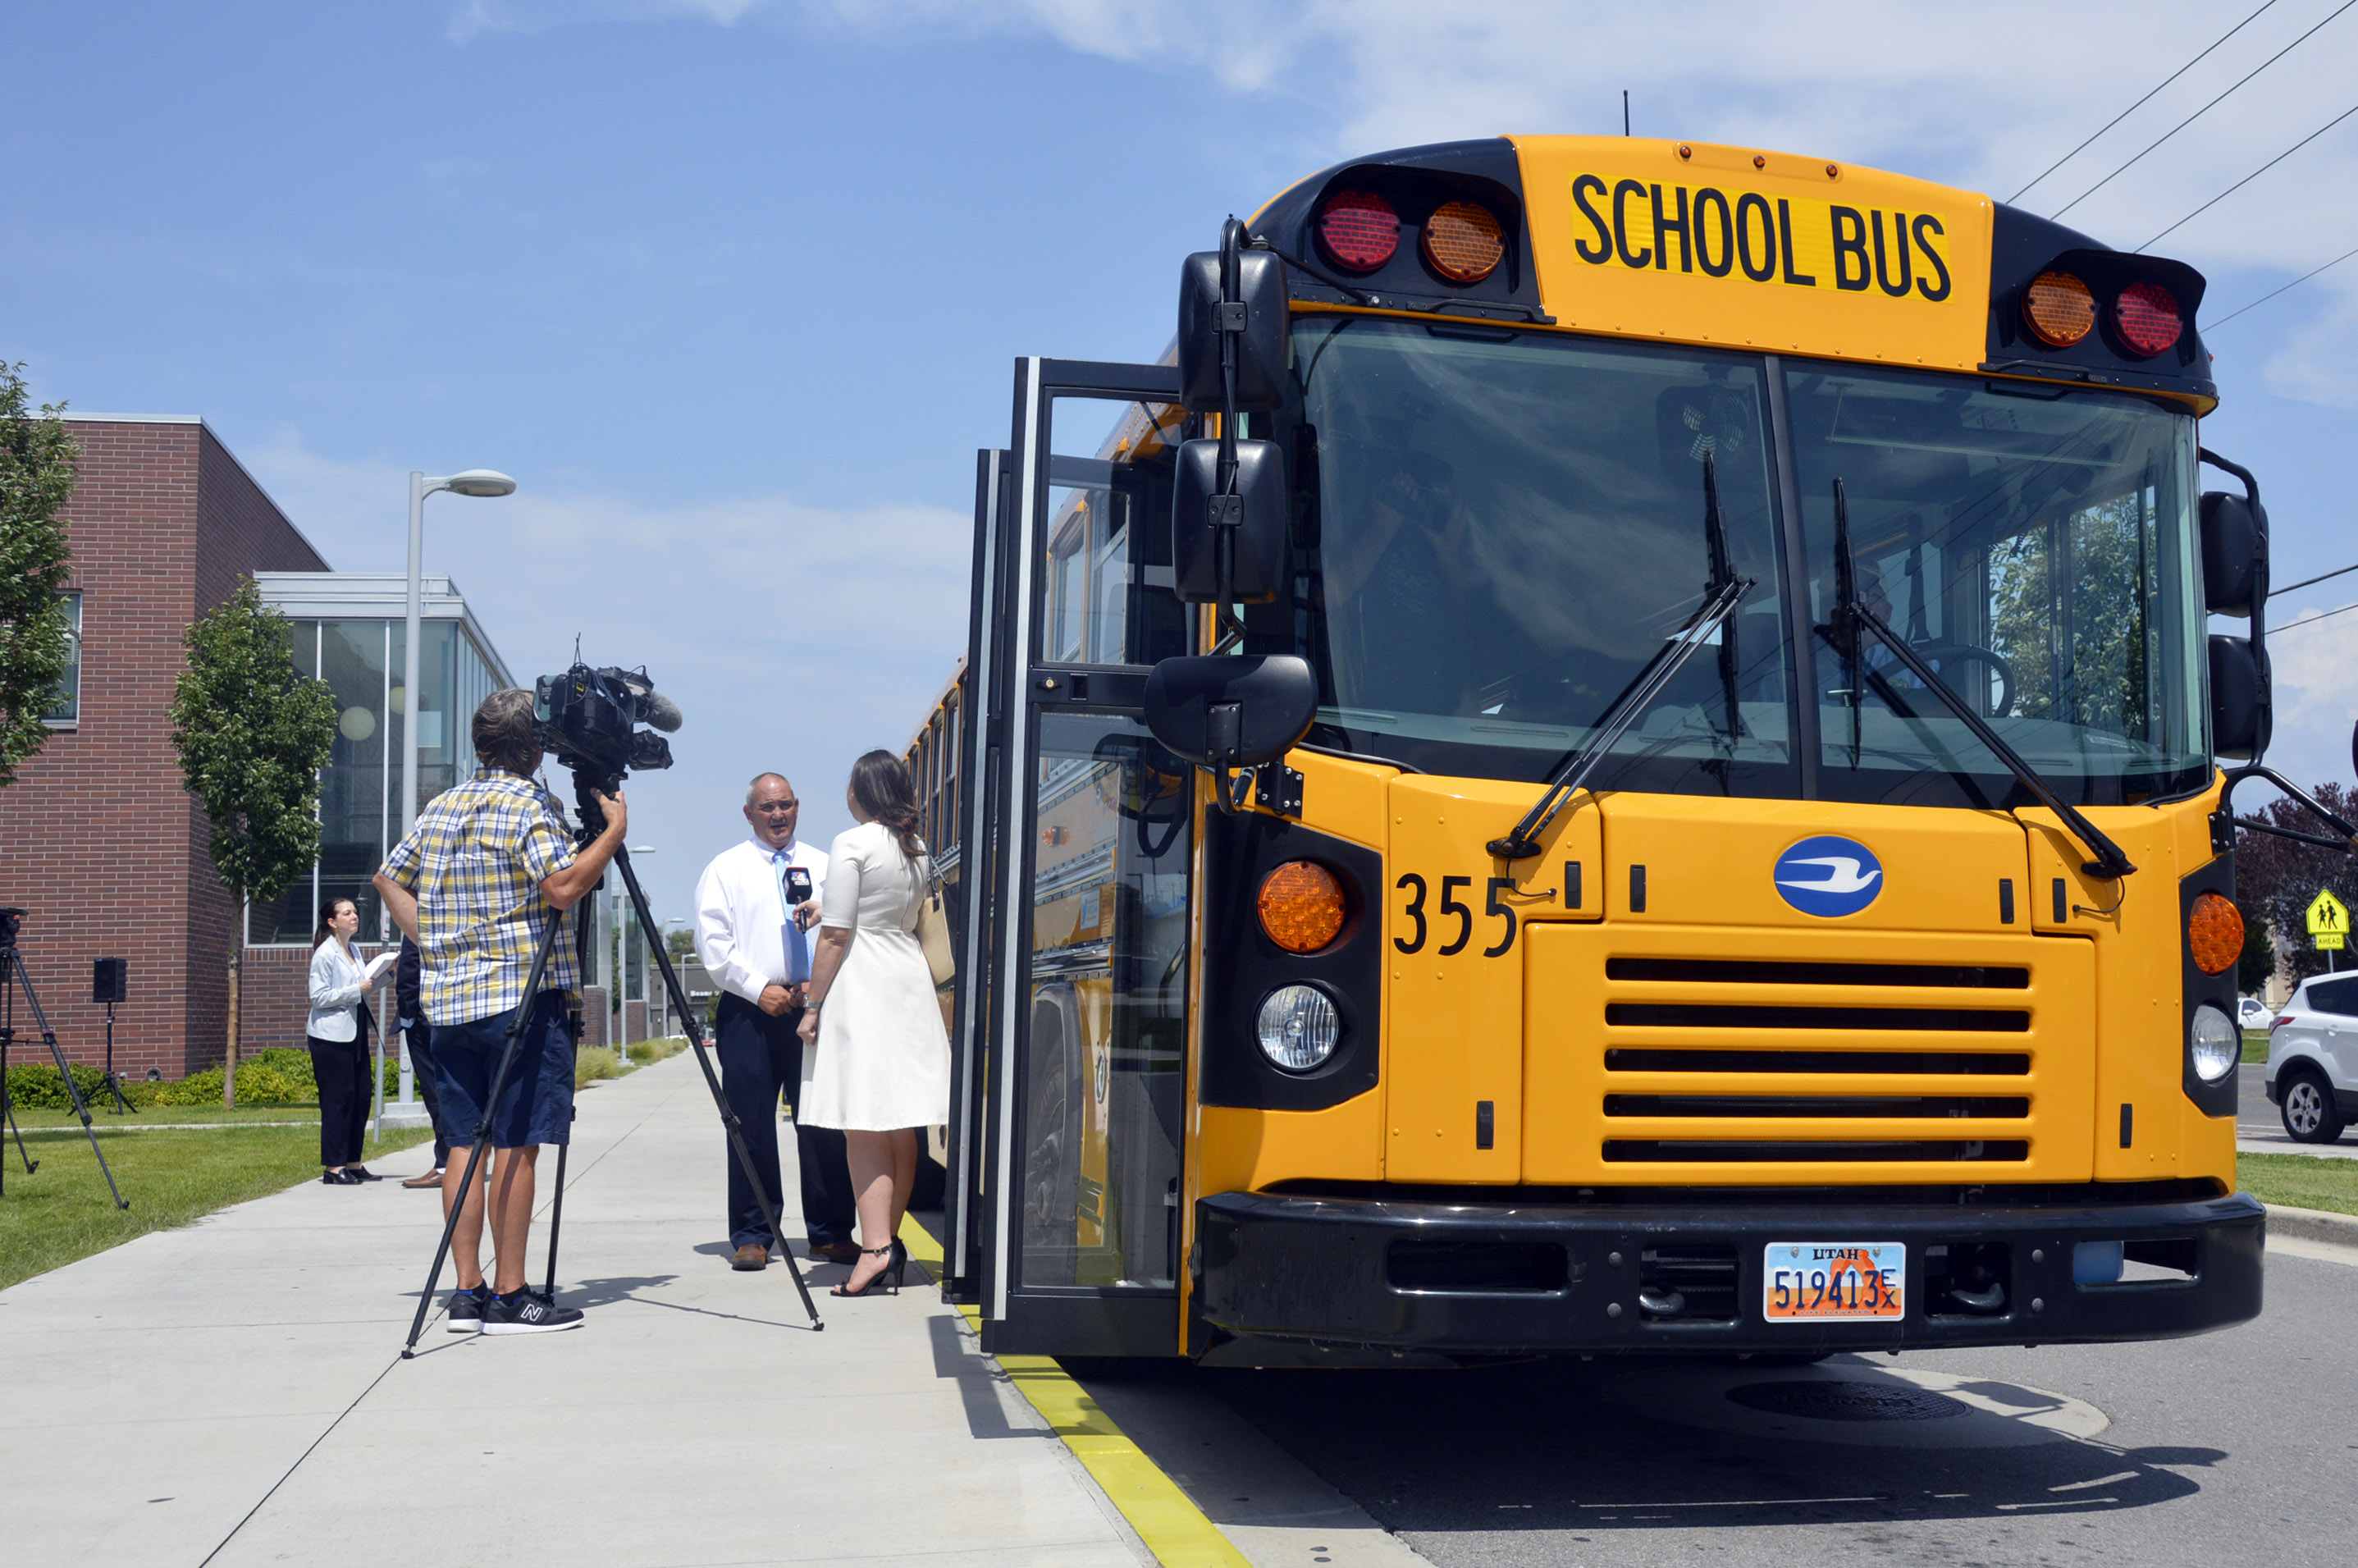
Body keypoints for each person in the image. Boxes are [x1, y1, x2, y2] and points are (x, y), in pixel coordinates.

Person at [374, 688, 625, 1336]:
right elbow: (563, 886)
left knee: (463, 1143)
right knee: (518, 1142)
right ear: (535, 750)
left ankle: (468, 1292)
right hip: (521, 996)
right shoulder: (527, 804)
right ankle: (513, 1294)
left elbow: (387, 877)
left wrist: (433, 938)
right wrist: (614, 833)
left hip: (450, 1002)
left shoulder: (442, 806)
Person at [797, 751, 952, 1297]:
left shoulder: (853, 842)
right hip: (906, 980)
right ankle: (891, 1237)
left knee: (860, 1123)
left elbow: (837, 936)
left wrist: (813, 1005)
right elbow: (893, 915)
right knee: (900, 1122)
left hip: (862, 986)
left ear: (860, 791)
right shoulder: (915, 846)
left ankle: (875, 1247)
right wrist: (827, 908)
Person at [692, 772, 858, 1271]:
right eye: (767, 808)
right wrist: (755, 987)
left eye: (785, 805)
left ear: (798, 806)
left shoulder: (827, 866)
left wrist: (818, 988)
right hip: (750, 1011)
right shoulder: (726, 868)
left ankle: (829, 1233)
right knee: (750, 1124)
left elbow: (846, 930)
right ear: (749, 814)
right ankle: (753, 1233)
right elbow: (712, 943)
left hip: (815, 1006)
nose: (778, 815)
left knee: (822, 1122)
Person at [306, 896, 396, 1186]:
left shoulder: (354, 949)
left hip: (356, 1030)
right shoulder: (325, 954)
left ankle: (353, 1163)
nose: (354, 916)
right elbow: (319, 997)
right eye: (347, 913)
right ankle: (334, 1167)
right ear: (332, 922)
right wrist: (354, 989)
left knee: (360, 1097)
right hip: (330, 1037)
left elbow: (361, 989)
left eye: (355, 912)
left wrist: (384, 976)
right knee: (337, 1101)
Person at [393, 935, 450, 1190]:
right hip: (449, 1014)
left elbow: (410, 970)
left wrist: (407, 1014)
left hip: (423, 1017)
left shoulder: (419, 919)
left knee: (436, 1092)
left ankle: (445, 1164)